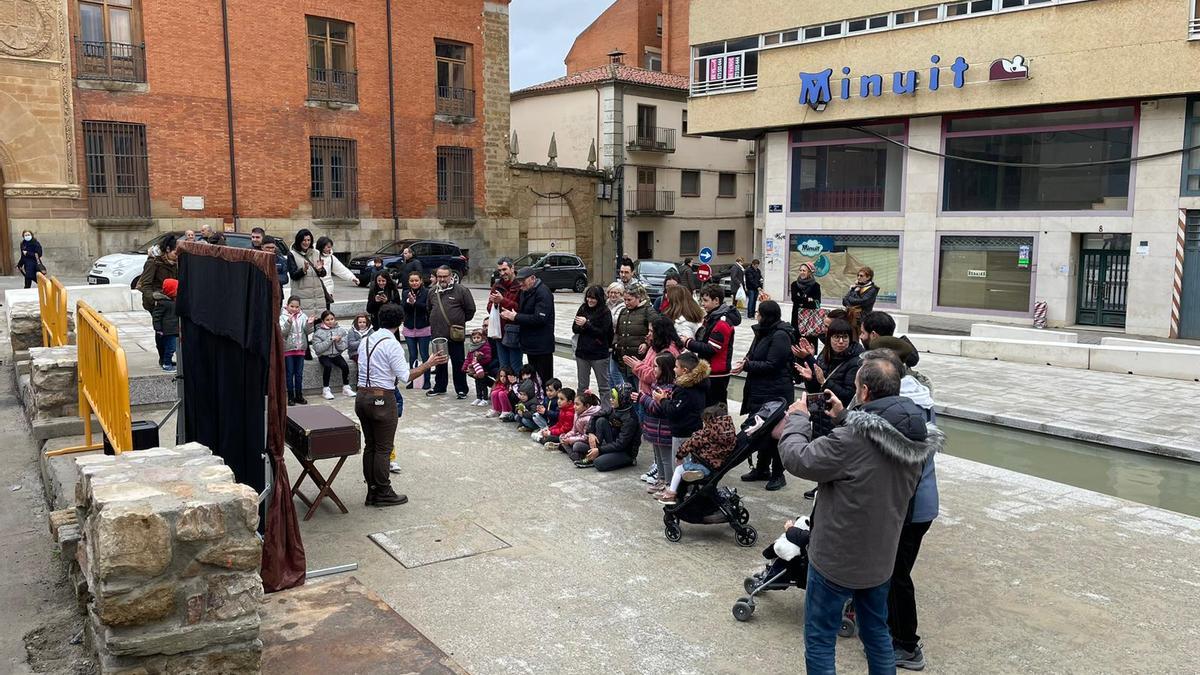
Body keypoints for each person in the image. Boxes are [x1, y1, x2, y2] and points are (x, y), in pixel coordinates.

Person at [777, 351, 944, 674]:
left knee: (820, 638)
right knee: (877, 633)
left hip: (838, 557)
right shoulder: (914, 433)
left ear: (865, 392)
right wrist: (844, 416)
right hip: (880, 556)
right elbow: (874, 448)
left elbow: (799, 459)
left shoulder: (851, 440)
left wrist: (798, 417)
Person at [357, 303, 447, 507]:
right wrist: (428, 364)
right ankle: (383, 491)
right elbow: (405, 376)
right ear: (400, 322)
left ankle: (372, 491)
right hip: (381, 398)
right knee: (383, 448)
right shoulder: (392, 344)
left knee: (370, 446)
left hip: (362, 396)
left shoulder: (367, 340)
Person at [734, 300, 796, 491]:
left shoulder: (780, 335)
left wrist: (748, 366)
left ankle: (778, 474)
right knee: (760, 430)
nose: (757, 316)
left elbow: (773, 364)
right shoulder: (763, 331)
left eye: (759, 313)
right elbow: (754, 355)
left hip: (776, 392)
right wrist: (746, 361)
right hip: (760, 390)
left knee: (776, 433)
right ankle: (761, 468)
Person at [656, 402, 737, 505]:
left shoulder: (707, 432)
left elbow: (690, 443)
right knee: (690, 464)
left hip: (705, 465)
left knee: (679, 469)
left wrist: (679, 456)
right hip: (717, 466)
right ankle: (695, 474)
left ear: (709, 420)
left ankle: (671, 494)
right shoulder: (730, 433)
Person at [654, 351, 709, 495]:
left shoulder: (685, 388)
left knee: (679, 464)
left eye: (676, 367)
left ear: (684, 370)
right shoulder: (700, 383)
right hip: (694, 428)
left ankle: (678, 491)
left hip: (682, 431)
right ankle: (687, 490)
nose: (673, 369)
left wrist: (662, 400)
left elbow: (673, 412)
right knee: (689, 463)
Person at [684, 283, 741, 407]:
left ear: (716, 301)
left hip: (717, 373)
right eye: (701, 300)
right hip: (710, 370)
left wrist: (688, 342)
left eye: (705, 300)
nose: (702, 304)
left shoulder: (722, 322)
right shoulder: (712, 317)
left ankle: (720, 427)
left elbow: (712, 348)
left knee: (716, 410)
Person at [428, 266, 476, 399]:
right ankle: (440, 387)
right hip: (438, 334)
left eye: (445, 276)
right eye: (439, 276)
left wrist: (459, 322)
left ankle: (461, 389)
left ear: (451, 276)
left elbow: (470, 310)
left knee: (458, 362)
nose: (442, 279)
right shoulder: (432, 291)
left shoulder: (461, 290)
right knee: (440, 362)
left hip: (455, 334)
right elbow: (429, 309)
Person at [502, 266, 554, 385]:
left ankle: (546, 402)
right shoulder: (525, 291)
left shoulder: (543, 292)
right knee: (534, 378)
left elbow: (540, 318)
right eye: (519, 281)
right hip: (530, 343)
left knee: (544, 379)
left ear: (532, 278)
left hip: (541, 345)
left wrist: (515, 317)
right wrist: (510, 314)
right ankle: (536, 401)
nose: (520, 284)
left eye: (523, 281)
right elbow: (520, 310)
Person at [572, 384, 642, 471]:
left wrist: (600, 450)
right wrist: (591, 433)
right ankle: (596, 453)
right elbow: (595, 416)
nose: (610, 400)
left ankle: (598, 456)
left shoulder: (630, 419)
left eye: (613, 398)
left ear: (622, 399)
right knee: (600, 421)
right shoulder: (615, 409)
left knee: (599, 463)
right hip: (612, 444)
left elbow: (621, 444)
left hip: (625, 451)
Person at [635, 352, 676, 494]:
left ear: (665, 369)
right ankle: (661, 479)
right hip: (654, 430)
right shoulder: (656, 385)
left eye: (656, 366)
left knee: (666, 459)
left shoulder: (668, 389)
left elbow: (656, 407)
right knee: (658, 458)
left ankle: (668, 483)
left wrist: (642, 398)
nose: (653, 369)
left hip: (663, 431)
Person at [808, 318, 865, 407]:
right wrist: (810, 379)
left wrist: (824, 382)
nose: (841, 341)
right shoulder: (823, 356)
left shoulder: (855, 361)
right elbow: (814, 390)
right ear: (829, 338)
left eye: (845, 337)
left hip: (838, 413)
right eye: (836, 337)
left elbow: (848, 396)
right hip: (821, 411)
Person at [628, 316, 682, 405]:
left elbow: (657, 376)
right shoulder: (655, 346)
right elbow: (647, 364)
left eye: (652, 331)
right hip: (646, 396)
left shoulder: (669, 351)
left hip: (655, 399)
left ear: (660, 333)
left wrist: (637, 367)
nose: (648, 334)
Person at [572, 285, 613, 397]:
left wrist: (586, 324)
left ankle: (606, 408)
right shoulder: (583, 308)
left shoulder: (605, 312)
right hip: (582, 352)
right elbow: (574, 328)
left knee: (603, 386)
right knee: (582, 386)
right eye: (588, 297)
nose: (590, 300)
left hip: (599, 354)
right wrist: (583, 327)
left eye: (593, 298)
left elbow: (603, 332)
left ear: (599, 298)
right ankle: (582, 409)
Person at [613, 283, 656, 385]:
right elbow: (618, 333)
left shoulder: (648, 311)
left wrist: (647, 344)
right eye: (625, 300)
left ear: (638, 298)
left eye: (629, 300)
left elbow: (656, 331)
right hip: (623, 361)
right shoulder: (623, 311)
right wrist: (616, 345)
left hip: (640, 361)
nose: (626, 303)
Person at [488, 257, 523, 370]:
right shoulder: (497, 285)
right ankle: (504, 388)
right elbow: (489, 307)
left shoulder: (520, 285)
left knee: (515, 367)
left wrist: (502, 301)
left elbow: (520, 309)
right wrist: (495, 304)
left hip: (514, 332)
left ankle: (516, 387)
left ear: (512, 268)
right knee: (503, 367)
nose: (502, 273)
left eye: (504, 269)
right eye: (500, 270)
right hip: (499, 331)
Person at [311, 310, 354, 400]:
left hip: (336, 354)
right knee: (328, 366)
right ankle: (326, 389)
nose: (330, 321)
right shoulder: (318, 333)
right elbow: (318, 348)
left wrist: (338, 342)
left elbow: (344, 346)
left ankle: (346, 387)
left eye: (332, 319)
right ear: (323, 321)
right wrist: (330, 340)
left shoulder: (341, 330)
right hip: (324, 355)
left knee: (345, 366)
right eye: (327, 320)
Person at [280, 296, 315, 405]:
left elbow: (307, 332)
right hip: (288, 350)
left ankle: (299, 395)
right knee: (290, 374)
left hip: (300, 349)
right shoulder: (282, 317)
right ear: (287, 305)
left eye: (297, 307)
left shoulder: (303, 316)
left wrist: (309, 324)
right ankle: (290, 396)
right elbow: (282, 333)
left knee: (299, 374)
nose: (294, 309)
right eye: (292, 306)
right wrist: (289, 322)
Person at [401, 271, 432, 390]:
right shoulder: (405, 293)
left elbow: (428, 308)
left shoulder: (427, 292)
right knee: (412, 355)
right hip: (409, 327)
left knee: (424, 355)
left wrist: (416, 303)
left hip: (423, 327)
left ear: (421, 281)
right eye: (411, 281)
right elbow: (403, 308)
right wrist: (409, 303)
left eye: (416, 280)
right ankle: (412, 380)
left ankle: (427, 380)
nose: (414, 283)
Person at [288, 229, 327, 315]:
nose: (306, 242)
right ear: (299, 241)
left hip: (317, 295)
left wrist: (320, 270)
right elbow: (293, 275)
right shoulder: (292, 254)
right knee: (304, 322)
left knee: (318, 321)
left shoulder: (316, 253)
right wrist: (303, 270)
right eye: (304, 240)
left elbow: (323, 274)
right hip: (301, 295)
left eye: (308, 240)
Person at [137, 234, 178, 311]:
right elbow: (145, 285)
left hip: (170, 301)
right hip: (156, 302)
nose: (177, 256)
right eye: (175, 253)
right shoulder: (153, 262)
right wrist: (154, 301)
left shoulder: (176, 264)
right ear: (168, 249)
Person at [557, 391, 602, 458]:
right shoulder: (577, 414)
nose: (574, 407)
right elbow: (574, 431)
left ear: (587, 406)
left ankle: (575, 456)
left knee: (576, 446)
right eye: (574, 404)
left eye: (577, 404)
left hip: (590, 443)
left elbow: (585, 437)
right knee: (561, 437)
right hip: (579, 437)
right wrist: (567, 436)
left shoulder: (589, 418)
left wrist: (570, 440)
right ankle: (577, 454)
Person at [315, 236, 360, 301]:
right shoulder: (314, 256)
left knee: (327, 309)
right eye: (328, 247)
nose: (330, 249)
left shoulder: (331, 258)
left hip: (328, 288)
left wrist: (352, 277)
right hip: (316, 288)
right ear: (322, 247)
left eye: (330, 247)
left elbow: (341, 269)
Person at [791, 262, 824, 347]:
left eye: (804, 271)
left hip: (810, 318)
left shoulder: (816, 286)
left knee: (809, 341)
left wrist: (802, 300)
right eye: (801, 270)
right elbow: (794, 299)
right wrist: (807, 299)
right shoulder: (794, 285)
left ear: (809, 272)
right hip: (796, 316)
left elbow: (817, 301)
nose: (802, 272)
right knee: (796, 340)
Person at [150, 278, 179, 372]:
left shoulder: (173, 301)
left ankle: (168, 361)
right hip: (167, 331)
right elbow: (156, 316)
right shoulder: (163, 303)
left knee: (171, 347)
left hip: (173, 329)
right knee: (170, 347)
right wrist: (158, 329)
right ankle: (166, 364)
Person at [464, 327, 494, 405]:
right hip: (474, 369)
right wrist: (464, 367)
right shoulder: (472, 347)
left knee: (483, 383)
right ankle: (478, 397)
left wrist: (481, 358)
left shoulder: (485, 346)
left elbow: (488, 358)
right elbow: (468, 358)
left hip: (482, 369)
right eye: (474, 338)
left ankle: (485, 399)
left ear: (482, 338)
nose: (476, 339)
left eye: (478, 337)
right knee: (477, 383)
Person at [604, 281, 626, 387]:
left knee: (614, 372)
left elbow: (616, 322)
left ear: (621, 294)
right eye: (611, 292)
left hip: (616, 343)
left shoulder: (623, 306)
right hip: (606, 342)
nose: (613, 295)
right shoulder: (606, 304)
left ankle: (622, 395)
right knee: (607, 374)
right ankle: (612, 397)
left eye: (616, 293)